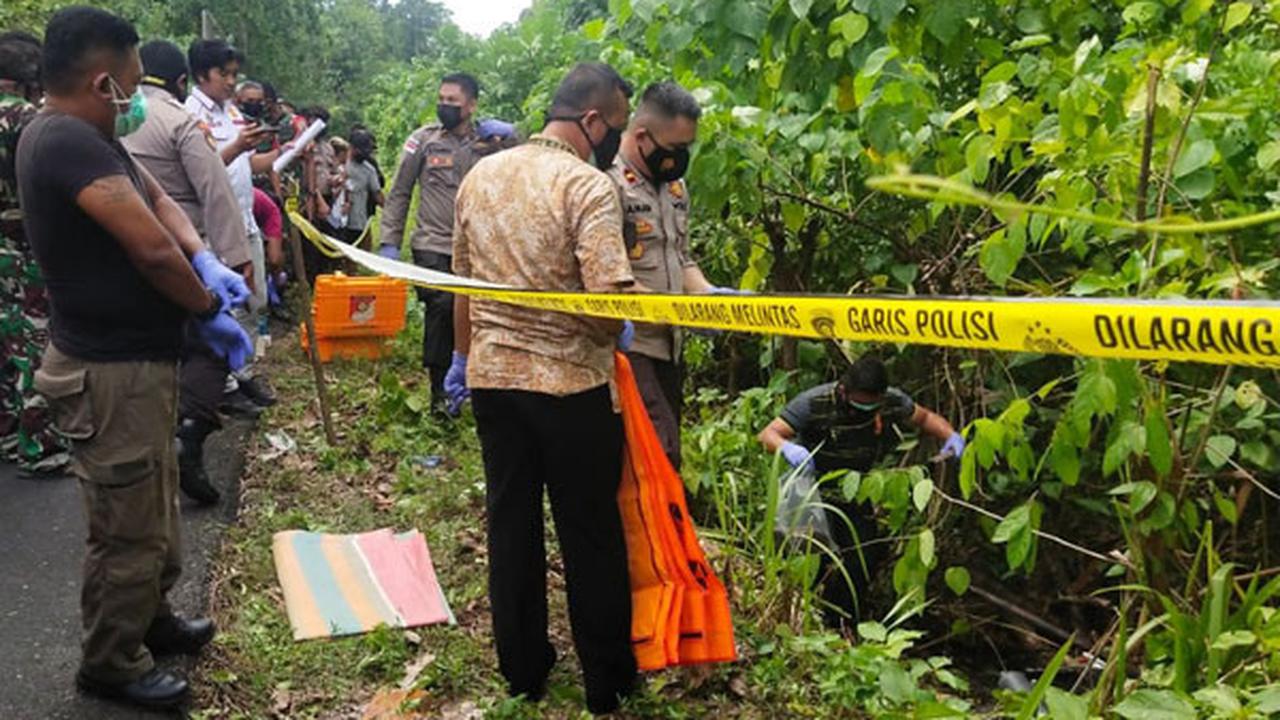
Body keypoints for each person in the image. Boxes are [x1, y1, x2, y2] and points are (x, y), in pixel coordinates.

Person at [17, 7, 253, 708]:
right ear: (101, 81)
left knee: (153, 509)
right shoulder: (61, 141)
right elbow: (149, 247)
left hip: (136, 366)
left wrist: (204, 256)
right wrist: (207, 311)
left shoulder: (91, 136)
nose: (139, 98)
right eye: (131, 84)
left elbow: (157, 204)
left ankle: (150, 619)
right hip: (107, 372)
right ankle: (109, 662)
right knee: (125, 527)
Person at [449, 62, 638, 715]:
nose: (614, 138)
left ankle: (523, 671)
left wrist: (465, 360)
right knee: (589, 532)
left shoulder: (482, 175)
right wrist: (617, 322)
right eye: (615, 125)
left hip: (495, 383)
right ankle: (606, 678)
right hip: (571, 388)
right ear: (592, 121)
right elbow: (605, 304)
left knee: (512, 525)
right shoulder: (586, 185)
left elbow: (464, 289)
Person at [121, 39, 254, 506]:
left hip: (120, 253)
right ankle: (190, 435)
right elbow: (214, 192)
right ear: (182, 81)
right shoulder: (180, 122)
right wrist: (235, 259)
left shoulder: (110, 122)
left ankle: (142, 456)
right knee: (210, 344)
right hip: (183, 253)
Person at [757, 355, 966, 628]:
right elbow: (768, 434)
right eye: (860, 403)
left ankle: (845, 626)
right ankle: (807, 623)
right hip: (812, 489)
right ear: (844, 390)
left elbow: (924, 417)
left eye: (872, 406)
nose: (865, 410)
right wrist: (788, 449)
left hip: (858, 489)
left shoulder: (891, 401)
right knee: (815, 558)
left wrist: (949, 435)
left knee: (862, 559)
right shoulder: (815, 402)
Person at [607, 81, 732, 471]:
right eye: (675, 149)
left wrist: (708, 296)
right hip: (630, 346)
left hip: (669, 345)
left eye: (687, 148)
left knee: (666, 449)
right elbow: (610, 273)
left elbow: (681, 257)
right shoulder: (607, 182)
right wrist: (676, 309)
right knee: (657, 453)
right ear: (642, 136)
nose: (680, 158)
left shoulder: (675, 186)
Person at [379, 72, 482, 411]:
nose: (445, 106)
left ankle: (469, 384)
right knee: (442, 309)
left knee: (473, 311)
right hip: (433, 245)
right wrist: (389, 242)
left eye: (453, 101)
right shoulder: (422, 141)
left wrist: (513, 139)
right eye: (441, 99)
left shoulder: (488, 143)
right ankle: (440, 391)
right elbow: (399, 193)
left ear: (471, 105)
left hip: (476, 249)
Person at [184, 39, 276, 409]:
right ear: (202, 74)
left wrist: (277, 154)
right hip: (216, 228)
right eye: (224, 74)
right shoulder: (191, 115)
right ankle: (221, 388)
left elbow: (244, 167)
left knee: (254, 300)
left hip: (245, 220)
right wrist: (237, 147)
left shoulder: (232, 113)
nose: (231, 82)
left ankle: (244, 373)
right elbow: (200, 173)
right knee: (224, 305)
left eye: (234, 74)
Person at [0, 29, 71, 476]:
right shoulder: (29, 120)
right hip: (20, 248)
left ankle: (6, 429)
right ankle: (38, 443)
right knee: (32, 344)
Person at [341, 127, 383, 245]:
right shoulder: (339, 162)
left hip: (357, 222)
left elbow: (377, 194)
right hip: (335, 221)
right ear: (352, 147)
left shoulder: (369, 169)